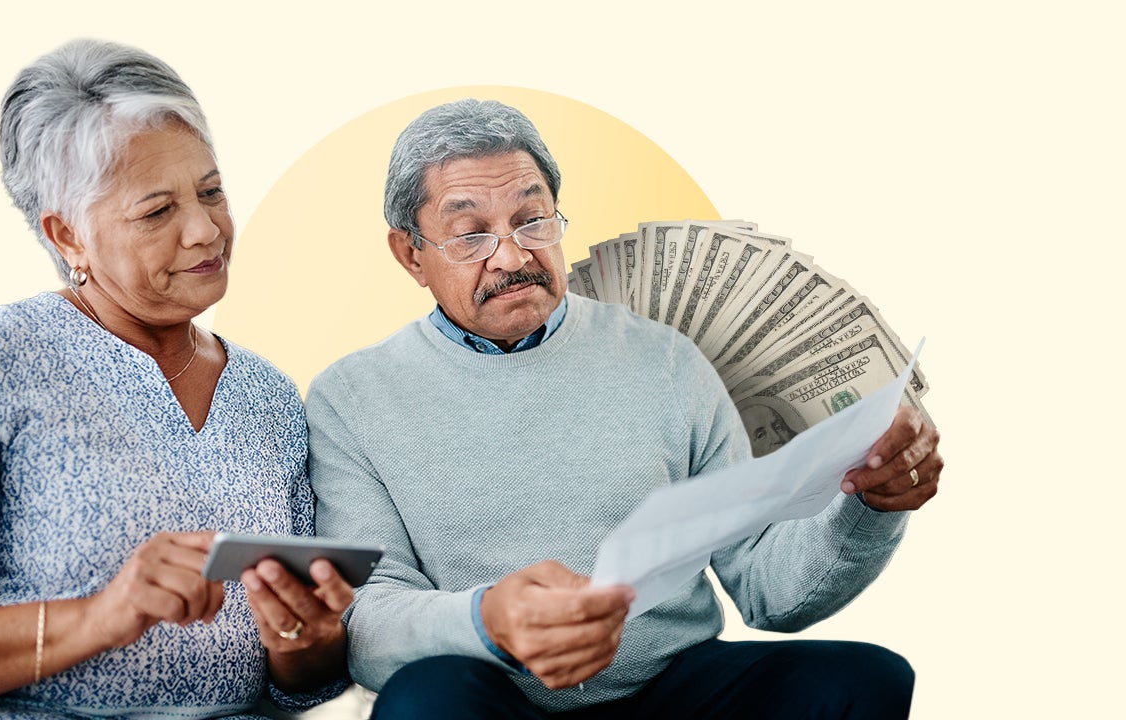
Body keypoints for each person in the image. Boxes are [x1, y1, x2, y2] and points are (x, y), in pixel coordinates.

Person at [306, 99, 945, 718]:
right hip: (493, 698)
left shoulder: (663, 359)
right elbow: (366, 622)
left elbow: (766, 587)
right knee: (423, 701)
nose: (514, 256)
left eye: (532, 220)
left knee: (864, 679)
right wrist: (486, 620)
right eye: (471, 235)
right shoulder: (352, 397)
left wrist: (870, 506)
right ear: (411, 254)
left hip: (674, 691)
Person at [0, 40, 352, 719]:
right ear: (69, 236)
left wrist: (307, 642)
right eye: (157, 211)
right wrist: (95, 618)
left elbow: (299, 683)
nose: (206, 230)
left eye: (211, 192)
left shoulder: (269, 395)